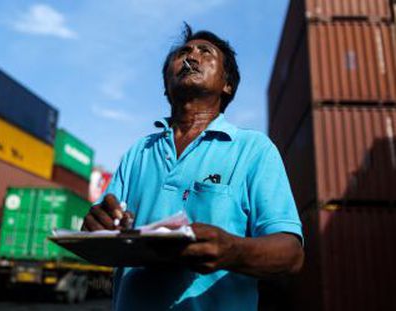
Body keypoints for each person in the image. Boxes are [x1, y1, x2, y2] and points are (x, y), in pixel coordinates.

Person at [82, 24, 304, 311]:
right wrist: (97, 226)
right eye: (183, 53)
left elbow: (291, 254)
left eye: (205, 51)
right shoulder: (139, 152)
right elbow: (96, 237)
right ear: (166, 85)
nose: (190, 57)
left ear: (228, 85)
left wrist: (233, 250)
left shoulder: (254, 150)